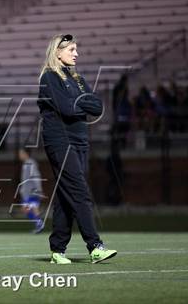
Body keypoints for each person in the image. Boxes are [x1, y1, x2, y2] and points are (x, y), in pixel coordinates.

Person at [37, 34, 117, 264]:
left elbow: (97, 105)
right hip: (60, 142)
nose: (76, 53)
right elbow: (66, 108)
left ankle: (57, 250)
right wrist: (81, 102)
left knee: (66, 195)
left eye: (76, 49)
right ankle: (95, 246)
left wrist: (78, 101)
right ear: (57, 53)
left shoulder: (78, 79)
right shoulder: (49, 78)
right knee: (80, 192)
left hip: (80, 141)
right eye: (71, 49)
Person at [18, 148, 44, 233]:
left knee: (32, 207)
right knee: (27, 209)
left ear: (26, 153)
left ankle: (39, 224)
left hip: (32, 190)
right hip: (26, 191)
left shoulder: (31, 163)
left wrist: (39, 189)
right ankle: (39, 223)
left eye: (21, 153)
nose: (20, 155)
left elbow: (36, 176)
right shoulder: (25, 164)